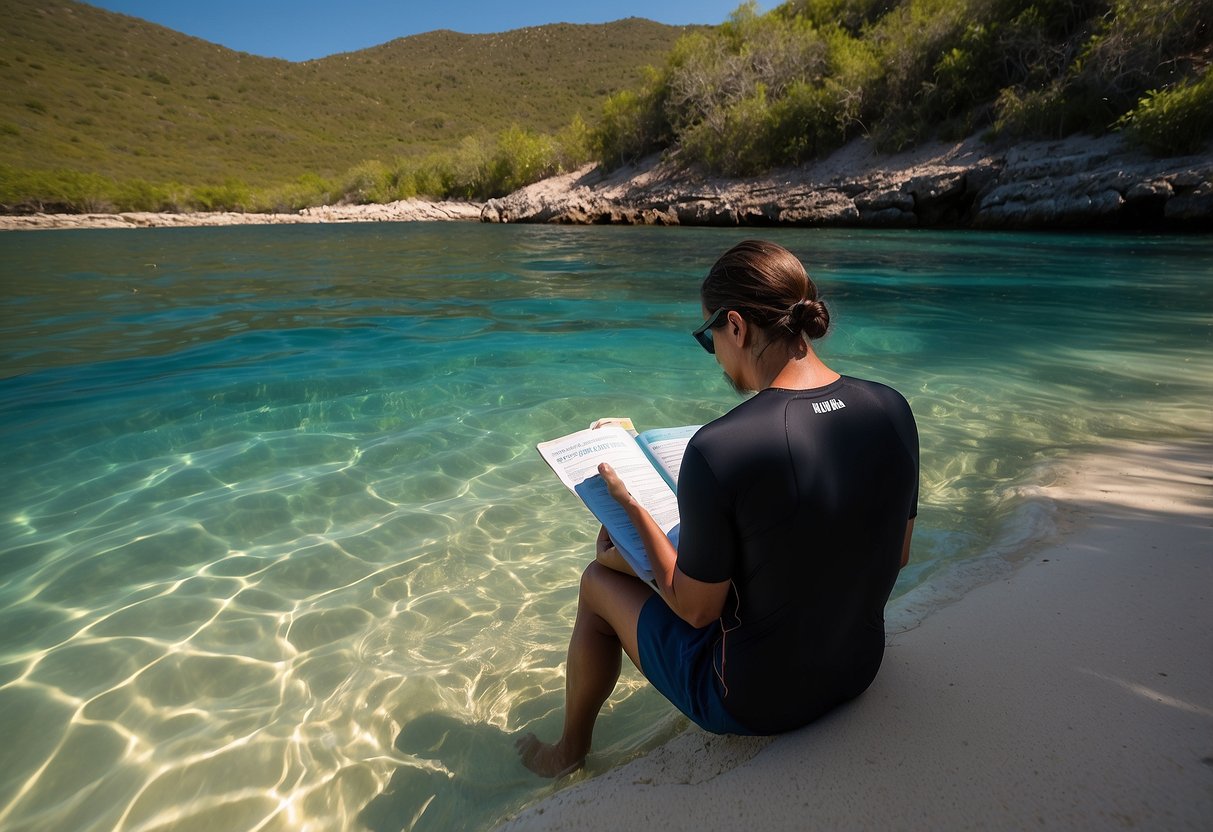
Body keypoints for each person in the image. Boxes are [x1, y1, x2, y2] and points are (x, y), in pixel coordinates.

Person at [517, 239, 919, 777]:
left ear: (736, 325)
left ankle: (567, 754)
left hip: (754, 701)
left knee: (596, 582)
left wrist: (630, 509)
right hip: (859, 667)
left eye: (708, 339)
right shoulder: (891, 408)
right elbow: (896, 555)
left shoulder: (719, 448)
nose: (715, 357)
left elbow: (697, 610)